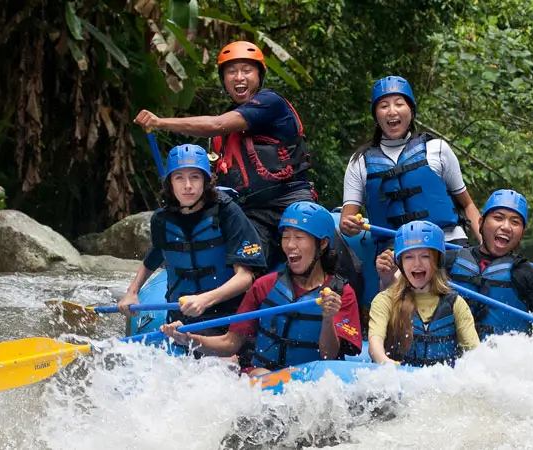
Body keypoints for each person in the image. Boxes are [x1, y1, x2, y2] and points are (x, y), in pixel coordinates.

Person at [133, 40, 314, 268]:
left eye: (247, 70)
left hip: (289, 202)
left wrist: (160, 122)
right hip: (249, 213)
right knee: (239, 259)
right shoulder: (223, 138)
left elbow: (217, 124)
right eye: (231, 71)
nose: (239, 77)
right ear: (224, 80)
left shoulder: (270, 103)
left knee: (307, 251)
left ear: (259, 76)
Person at [160, 202, 362, 376]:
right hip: (263, 379)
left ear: (323, 243)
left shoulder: (341, 293)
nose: (290, 245)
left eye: (299, 238)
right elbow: (231, 343)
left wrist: (328, 318)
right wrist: (187, 339)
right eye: (286, 237)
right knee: (254, 372)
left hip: (308, 388)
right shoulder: (265, 286)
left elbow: (329, 355)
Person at [117, 144, 267, 339]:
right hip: (181, 316)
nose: (187, 185)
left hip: (226, 316)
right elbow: (153, 257)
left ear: (206, 181)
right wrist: (132, 292)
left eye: (195, 177)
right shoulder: (162, 219)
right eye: (179, 177)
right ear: (170, 183)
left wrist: (205, 300)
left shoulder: (226, 212)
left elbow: (245, 277)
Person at [339, 75, 482, 252]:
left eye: (399, 104)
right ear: (376, 115)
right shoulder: (359, 162)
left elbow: (468, 205)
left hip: (447, 243)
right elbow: (347, 220)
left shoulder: (437, 148)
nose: (392, 111)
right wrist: (349, 226)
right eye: (384, 106)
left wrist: (486, 248)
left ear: (411, 111)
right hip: (396, 251)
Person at [444, 189, 533, 339]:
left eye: (515, 222)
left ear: (522, 234)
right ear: (481, 223)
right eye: (498, 218)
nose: (506, 227)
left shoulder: (528, 274)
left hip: (499, 358)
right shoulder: (447, 262)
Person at [368, 220, 479, 367]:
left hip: (442, 384)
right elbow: (374, 348)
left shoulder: (455, 303)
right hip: (399, 380)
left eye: (425, 256)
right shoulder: (385, 300)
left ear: (437, 261)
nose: (417, 264)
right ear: (400, 263)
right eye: (409, 257)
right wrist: (387, 364)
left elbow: (474, 354)